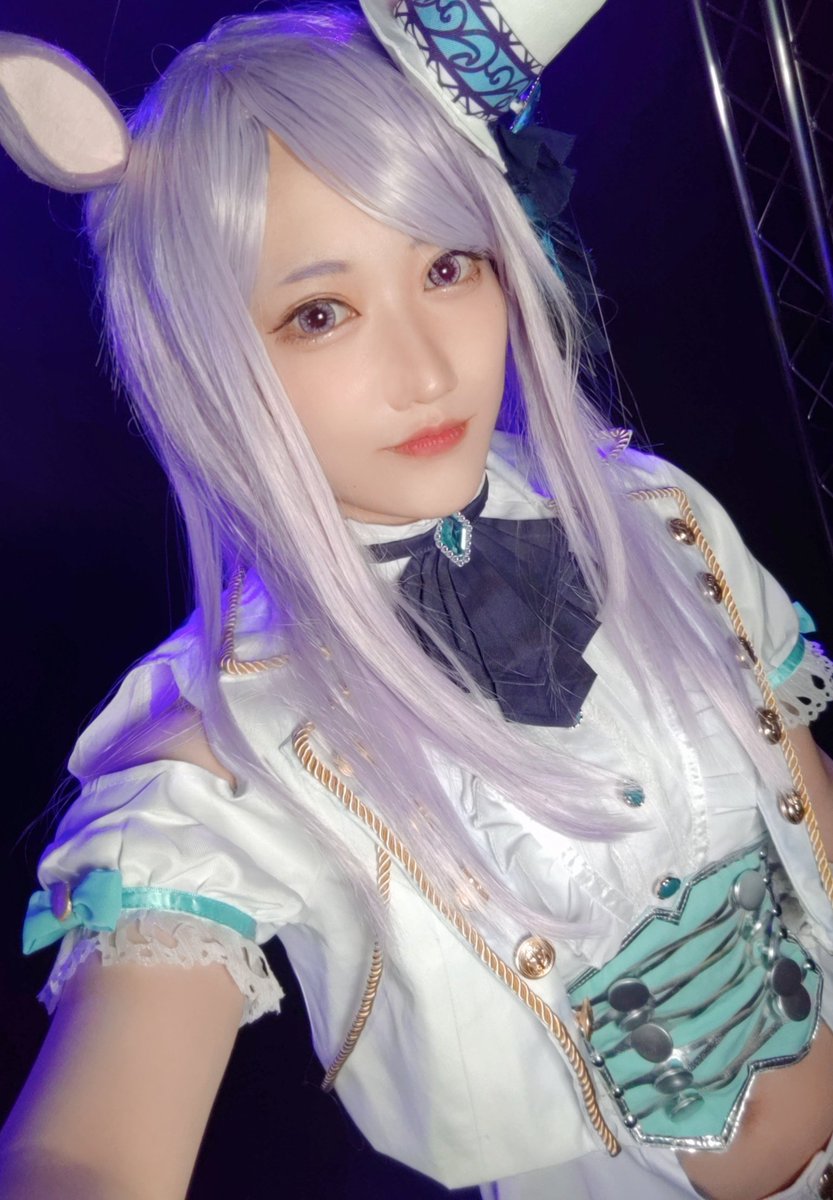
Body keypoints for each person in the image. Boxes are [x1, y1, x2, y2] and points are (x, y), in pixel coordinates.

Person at [1, 4, 833, 1199]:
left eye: (446, 267)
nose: (429, 369)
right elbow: (86, 1151)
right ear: (204, 357)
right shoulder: (225, 738)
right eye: (319, 312)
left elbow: (807, 808)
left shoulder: (656, 519)